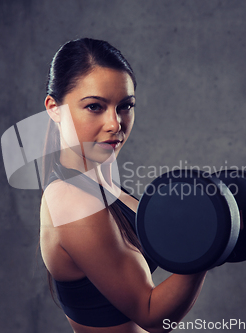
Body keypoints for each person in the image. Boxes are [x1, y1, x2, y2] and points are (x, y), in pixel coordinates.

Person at [39, 38, 207, 333]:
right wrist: (210, 247)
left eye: (125, 106)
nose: (115, 124)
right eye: (94, 106)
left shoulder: (105, 188)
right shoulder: (72, 199)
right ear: (55, 109)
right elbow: (151, 315)